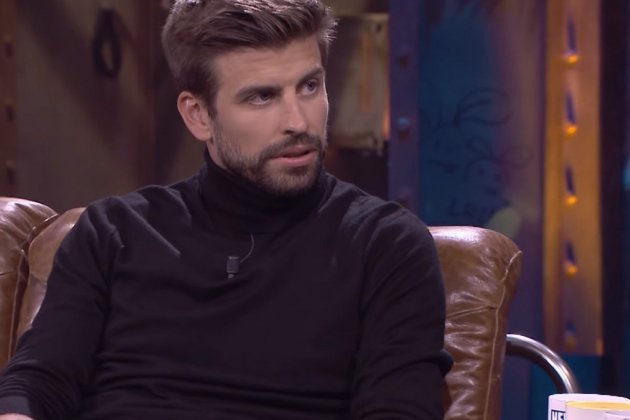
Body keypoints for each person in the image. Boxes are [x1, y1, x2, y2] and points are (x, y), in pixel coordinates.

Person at [0, 0, 452, 418]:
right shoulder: (113, 233)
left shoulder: (385, 246)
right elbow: (38, 382)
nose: (298, 121)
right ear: (198, 114)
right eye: (262, 96)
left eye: (310, 86)